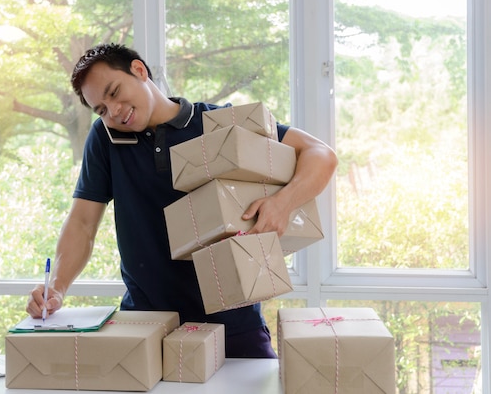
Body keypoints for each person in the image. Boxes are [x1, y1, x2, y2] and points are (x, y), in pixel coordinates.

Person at [26, 43, 337, 358]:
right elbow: (82, 222)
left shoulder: (220, 124)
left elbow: (321, 155)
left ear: (139, 70)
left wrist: (282, 204)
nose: (114, 110)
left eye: (115, 92)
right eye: (102, 110)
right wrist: (57, 287)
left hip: (232, 323)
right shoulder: (106, 140)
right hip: (147, 326)